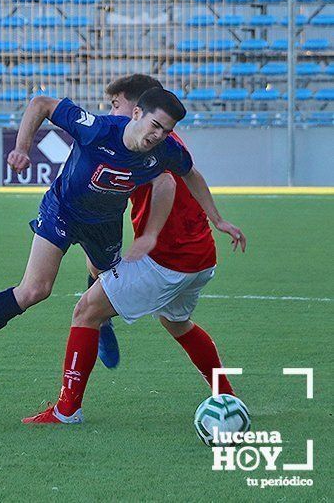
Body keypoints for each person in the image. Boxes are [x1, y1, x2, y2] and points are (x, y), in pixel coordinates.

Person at [0, 88, 244, 395]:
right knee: (35, 290)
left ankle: (103, 325)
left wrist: (217, 219)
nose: (159, 135)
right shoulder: (98, 129)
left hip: (105, 224)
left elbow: (189, 175)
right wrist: (22, 148)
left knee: (102, 282)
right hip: (62, 212)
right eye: (155, 125)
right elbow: (41, 103)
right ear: (137, 114)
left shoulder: (164, 150)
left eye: (166, 130)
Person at [23, 75, 245, 424]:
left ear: (138, 108)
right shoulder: (160, 140)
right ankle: (228, 397)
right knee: (178, 323)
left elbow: (168, 182)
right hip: (199, 257)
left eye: (116, 105)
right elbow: (191, 173)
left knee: (85, 311)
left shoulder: (148, 148)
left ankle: (67, 410)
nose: (112, 112)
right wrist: (218, 220)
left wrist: (150, 235)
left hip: (167, 261)